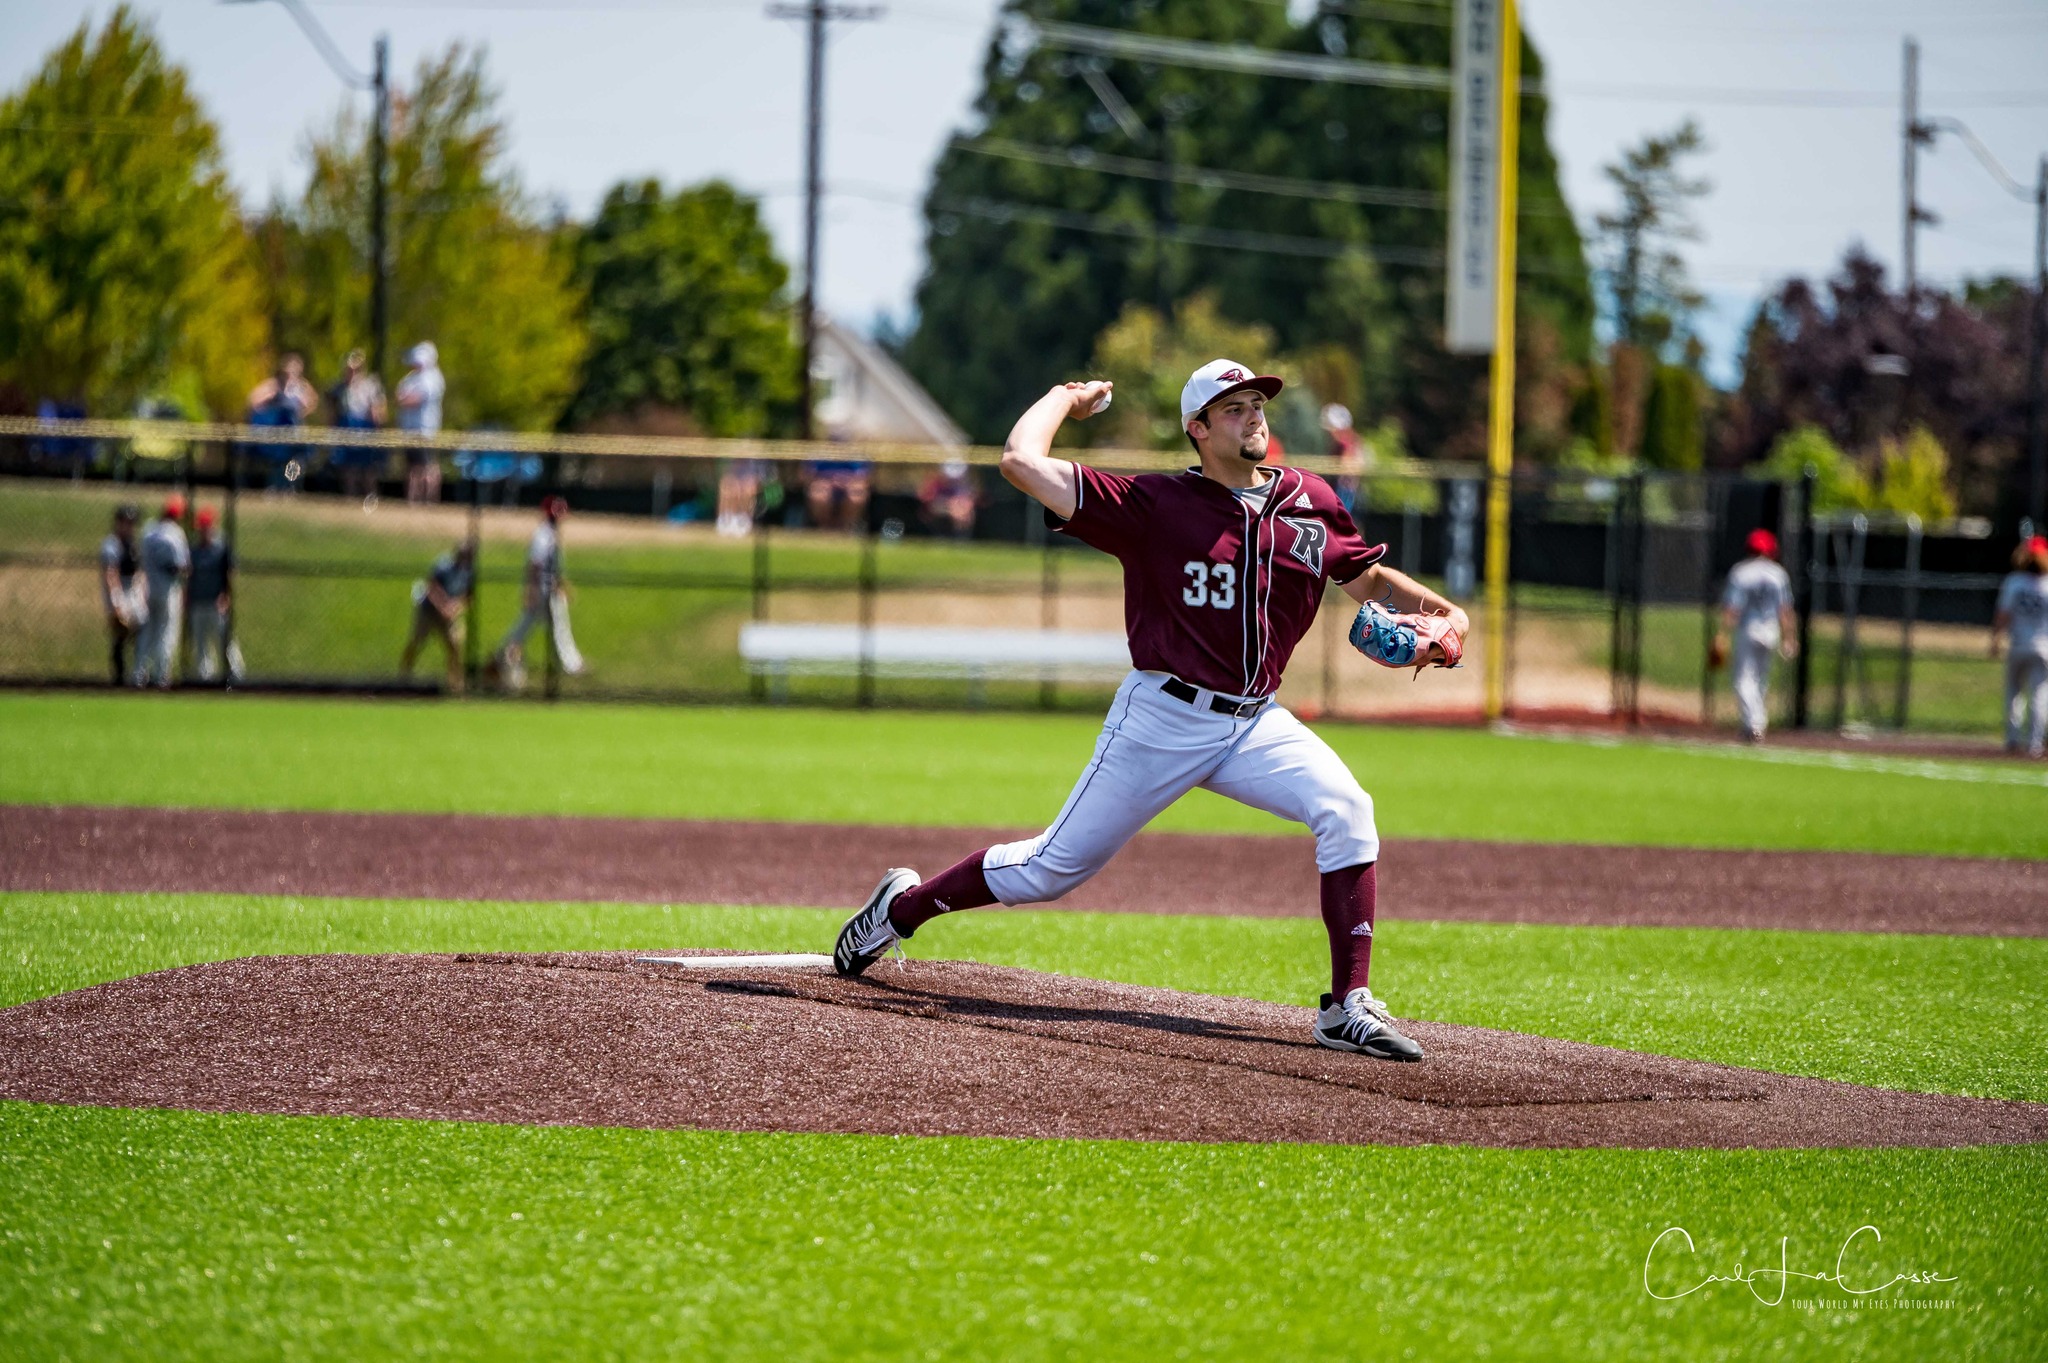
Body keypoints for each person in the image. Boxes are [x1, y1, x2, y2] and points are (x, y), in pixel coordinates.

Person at [832, 360, 1468, 1061]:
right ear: (1197, 429)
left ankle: (1348, 1006)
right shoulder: (1155, 504)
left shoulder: (1309, 499)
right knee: (1050, 868)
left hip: (1254, 719)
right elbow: (1020, 461)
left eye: (1257, 403)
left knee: (1348, 808)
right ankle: (899, 909)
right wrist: (1063, 396)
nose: (1253, 415)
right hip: (1163, 716)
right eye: (1232, 408)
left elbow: (1364, 573)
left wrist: (1439, 611)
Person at [492, 496, 584, 689]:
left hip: (549, 586)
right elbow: (535, 564)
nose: (562, 515)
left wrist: (563, 584)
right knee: (557, 625)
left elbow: (554, 565)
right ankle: (571, 664)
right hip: (543, 588)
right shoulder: (543, 534)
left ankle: (504, 651)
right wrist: (531, 589)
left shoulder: (550, 532)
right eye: (559, 511)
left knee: (531, 623)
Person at [1715, 528, 1797, 743]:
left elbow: (1733, 608)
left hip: (1748, 629)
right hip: (1771, 630)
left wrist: (1722, 634)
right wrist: (1790, 638)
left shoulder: (1741, 572)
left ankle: (1754, 724)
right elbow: (1785, 610)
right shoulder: (1778, 574)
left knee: (1743, 680)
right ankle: (1752, 724)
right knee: (1761, 680)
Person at [1992, 534, 2048, 757]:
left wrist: (1995, 639)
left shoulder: (2014, 582)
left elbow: (2003, 615)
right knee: (2039, 695)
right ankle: (2034, 744)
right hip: (2043, 646)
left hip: (2019, 645)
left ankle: (2012, 740)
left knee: (2014, 694)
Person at [402, 540, 477, 693]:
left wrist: (455, 608)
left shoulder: (469, 571)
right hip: (428, 611)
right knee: (416, 641)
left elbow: (468, 596)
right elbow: (431, 588)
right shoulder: (443, 565)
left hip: (448, 614)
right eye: (463, 556)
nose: (465, 559)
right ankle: (403, 676)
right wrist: (443, 607)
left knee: (455, 645)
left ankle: (455, 683)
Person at [135, 495, 191, 687]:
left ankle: (139, 674)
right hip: (168, 590)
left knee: (147, 632)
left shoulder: (149, 530)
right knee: (166, 633)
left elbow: (140, 557)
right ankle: (161, 675)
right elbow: (182, 566)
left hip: (148, 588)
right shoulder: (175, 534)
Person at [246, 355, 318, 492]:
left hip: (294, 429)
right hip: (276, 430)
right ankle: (274, 486)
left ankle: (291, 487)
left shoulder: (301, 386)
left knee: (296, 459)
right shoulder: (273, 385)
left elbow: (312, 402)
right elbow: (253, 400)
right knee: (276, 459)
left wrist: (301, 411)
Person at [186, 507, 242, 684]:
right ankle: (205, 676)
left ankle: (235, 673)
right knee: (201, 643)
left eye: (206, 526)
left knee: (225, 639)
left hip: (216, 602)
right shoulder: (194, 550)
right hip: (197, 601)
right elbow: (189, 575)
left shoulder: (221, 548)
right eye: (201, 527)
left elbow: (230, 573)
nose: (203, 530)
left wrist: (226, 595)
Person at [329, 349, 389, 504]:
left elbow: (379, 411)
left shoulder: (371, 386)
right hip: (347, 427)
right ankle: (350, 497)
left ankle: (370, 498)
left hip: (366, 428)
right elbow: (332, 410)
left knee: (369, 467)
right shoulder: (340, 388)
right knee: (349, 466)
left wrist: (378, 426)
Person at [396, 342, 446, 505]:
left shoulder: (433, 378)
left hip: (425, 430)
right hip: (409, 430)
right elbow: (400, 397)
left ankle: (429, 500)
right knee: (412, 467)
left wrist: (407, 399)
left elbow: (414, 399)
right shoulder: (411, 378)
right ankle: (413, 500)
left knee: (428, 466)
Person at [98, 504, 142, 685]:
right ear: (118, 522)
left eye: (132, 522)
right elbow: (111, 574)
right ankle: (119, 677)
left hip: (132, 590)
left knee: (138, 631)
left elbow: (140, 570)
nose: (130, 526)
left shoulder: (132, 543)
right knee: (120, 635)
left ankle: (136, 673)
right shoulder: (111, 544)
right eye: (127, 522)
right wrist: (116, 602)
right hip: (119, 592)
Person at [805, 458, 871, 532]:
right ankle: (825, 529)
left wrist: (845, 480)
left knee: (856, 493)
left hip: (852, 481)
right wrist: (829, 480)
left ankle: (847, 529)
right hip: (824, 480)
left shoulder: (861, 449)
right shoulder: (817, 449)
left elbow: (866, 476)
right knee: (818, 493)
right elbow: (806, 474)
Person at [918, 459, 978, 539]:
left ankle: (961, 539)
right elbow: (927, 499)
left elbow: (967, 499)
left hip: (957, 510)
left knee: (966, 514)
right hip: (938, 510)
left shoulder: (962, 484)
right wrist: (949, 506)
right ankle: (940, 537)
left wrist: (960, 509)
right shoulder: (935, 483)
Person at [716, 458, 768, 537]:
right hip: (734, 470)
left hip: (750, 472)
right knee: (728, 486)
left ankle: (743, 519)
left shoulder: (754, 463)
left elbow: (758, 480)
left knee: (748, 488)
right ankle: (725, 518)